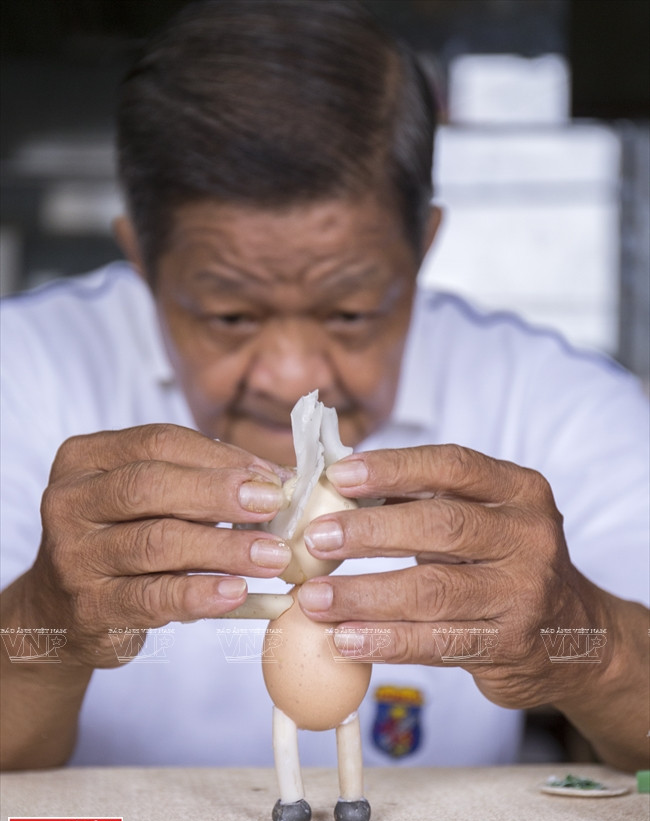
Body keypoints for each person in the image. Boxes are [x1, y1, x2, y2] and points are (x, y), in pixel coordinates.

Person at [1, 0, 648, 779]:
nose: (293, 379)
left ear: (423, 247)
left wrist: (592, 648)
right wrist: (39, 630)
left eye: (349, 312)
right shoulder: (23, 376)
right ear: (143, 259)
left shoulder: (553, 402)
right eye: (231, 314)